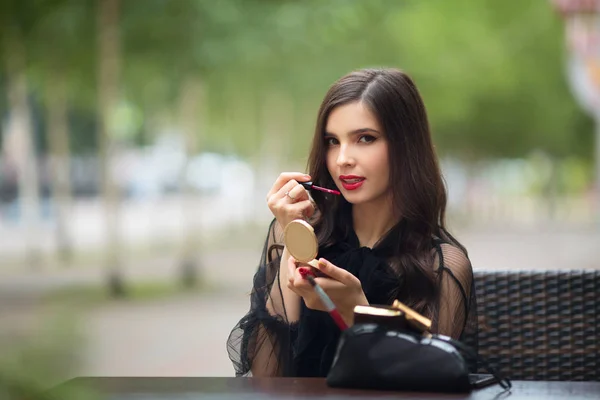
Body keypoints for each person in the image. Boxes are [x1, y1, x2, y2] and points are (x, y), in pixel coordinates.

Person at [227, 68, 476, 377]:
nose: (343, 158)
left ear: (406, 146)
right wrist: (294, 236)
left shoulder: (441, 266)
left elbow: (427, 387)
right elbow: (268, 378)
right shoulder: (298, 231)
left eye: (365, 138)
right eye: (332, 141)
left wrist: (355, 308)